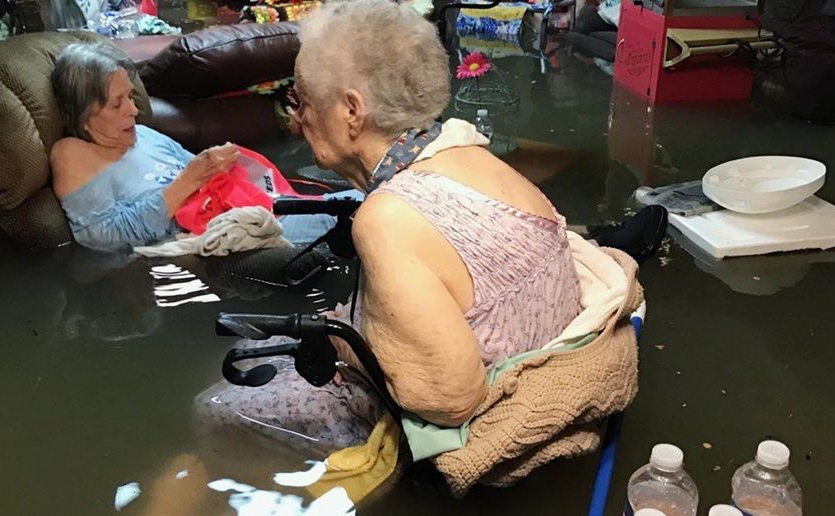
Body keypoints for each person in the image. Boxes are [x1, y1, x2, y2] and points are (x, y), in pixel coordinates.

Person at [195, 0, 589, 452]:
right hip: (528, 355)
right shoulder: (470, 154)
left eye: (301, 100)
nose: (298, 117)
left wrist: (342, 346)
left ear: (351, 111)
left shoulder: (388, 218)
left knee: (214, 407)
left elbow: (450, 399)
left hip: (458, 425)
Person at [50, 42, 352, 252]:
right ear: (84, 113)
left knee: (361, 204)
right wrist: (190, 179)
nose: (132, 109)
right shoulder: (73, 153)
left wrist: (215, 166)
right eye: (117, 104)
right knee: (358, 219)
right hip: (216, 240)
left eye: (130, 97)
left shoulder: (142, 134)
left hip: (251, 212)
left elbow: (208, 181)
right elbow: (102, 239)